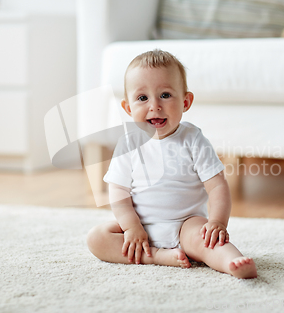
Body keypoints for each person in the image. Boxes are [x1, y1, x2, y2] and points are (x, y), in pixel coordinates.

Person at [86, 49, 257, 279]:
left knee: (205, 239)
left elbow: (217, 186)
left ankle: (231, 261)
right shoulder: (128, 143)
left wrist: (217, 222)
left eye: (165, 95)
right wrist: (131, 227)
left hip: (185, 225)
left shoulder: (193, 139)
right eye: (142, 98)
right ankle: (156, 256)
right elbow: (118, 191)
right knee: (97, 238)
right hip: (141, 226)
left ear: (186, 101)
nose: (154, 105)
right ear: (128, 108)